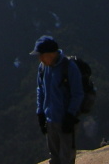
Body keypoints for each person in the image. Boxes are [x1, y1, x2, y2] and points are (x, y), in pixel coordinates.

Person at [31, 35, 84, 164]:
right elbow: (40, 90)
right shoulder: (43, 68)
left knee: (66, 157)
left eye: (41, 55)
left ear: (51, 54)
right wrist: (40, 113)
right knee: (54, 156)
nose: (39, 58)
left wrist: (70, 115)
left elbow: (78, 94)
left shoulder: (69, 68)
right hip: (50, 120)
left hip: (65, 120)